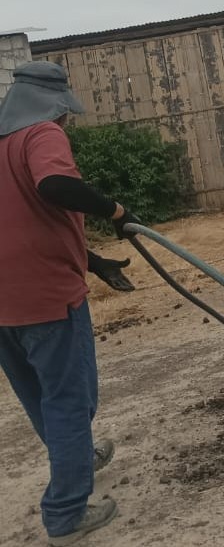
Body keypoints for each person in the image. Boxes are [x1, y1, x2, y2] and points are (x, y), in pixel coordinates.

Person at [0, 61, 139, 546]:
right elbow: (55, 187)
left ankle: (78, 460)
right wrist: (115, 210)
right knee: (72, 401)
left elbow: (24, 222)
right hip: (47, 298)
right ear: (52, 106)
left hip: (5, 305)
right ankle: (64, 513)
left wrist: (93, 261)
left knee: (43, 397)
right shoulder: (41, 135)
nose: (64, 120)